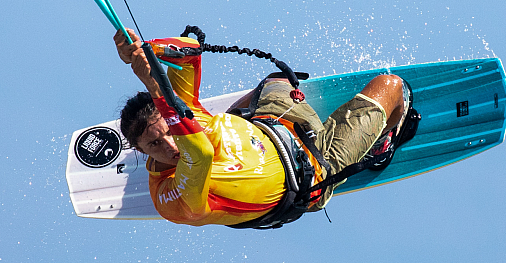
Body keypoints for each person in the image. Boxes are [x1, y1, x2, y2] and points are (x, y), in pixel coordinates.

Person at [114, 28, 411, 227]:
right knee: (392, 87)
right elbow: (200, 153)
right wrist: (154, 87)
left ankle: (257, 102)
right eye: (155, 145)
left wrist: (147, 48)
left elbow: (190, 53)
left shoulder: (182, 111)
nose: (170, 146)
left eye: (168, 131)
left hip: (274, 123)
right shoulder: (171, 199)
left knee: (276, 81)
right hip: (316, 166)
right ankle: (382, 141)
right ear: (140, 151)